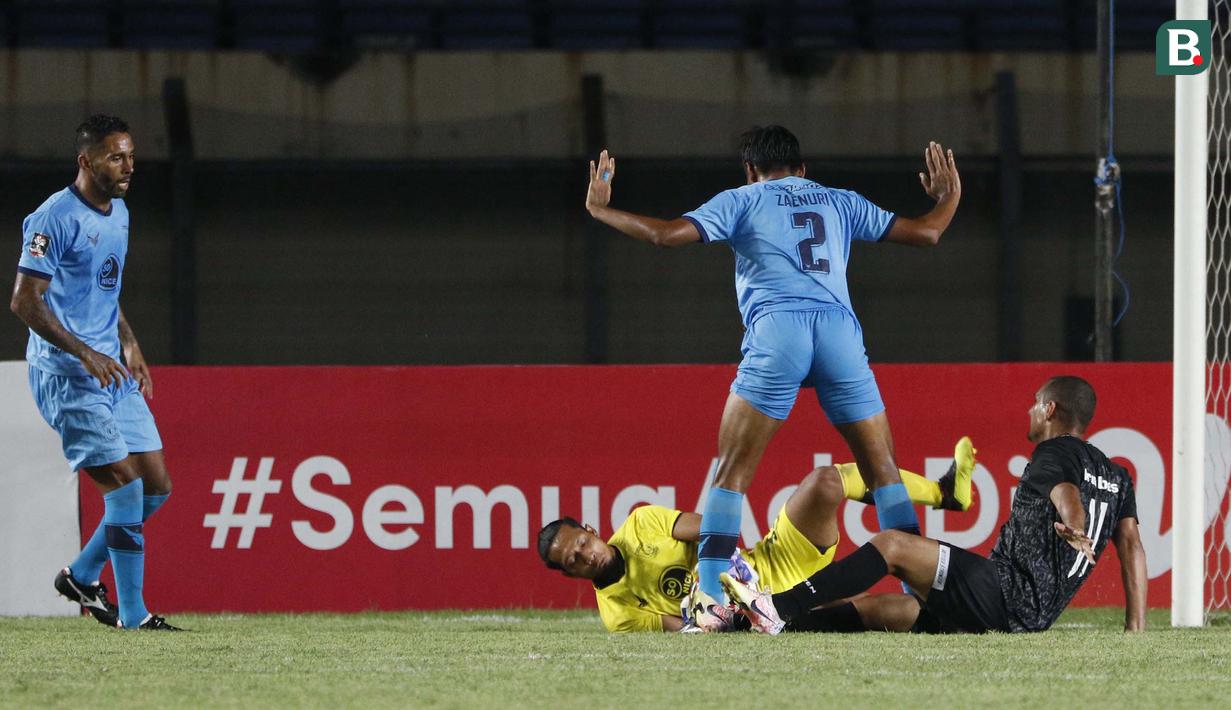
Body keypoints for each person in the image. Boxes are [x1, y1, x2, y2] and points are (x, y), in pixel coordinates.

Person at [584, 126, 962, 613]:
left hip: (778, 334)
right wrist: (949, 197)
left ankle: (715, 601)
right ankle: (927, 596)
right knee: (882, 470)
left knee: (732, 472)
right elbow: (928, 232)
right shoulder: (839, 201)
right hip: (839, 335)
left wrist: (601, 209)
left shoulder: (742, 200)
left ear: (749, 171)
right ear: (803, 169)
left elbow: (665, 235)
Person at [721, 376, 1148, 635]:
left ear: (1050, 408)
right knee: (900, 610)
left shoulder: (1054, 454)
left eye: (1036, 403)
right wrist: (1135, 626)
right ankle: (757, 624)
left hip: (1002, 592)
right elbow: (1131, 546)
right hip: (1032, 615)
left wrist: (1072, 520)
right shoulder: (1117, 476)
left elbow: (1065, 493)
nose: (1031, 410)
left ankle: (775, 606)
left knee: (893, 547)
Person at [9, 114, 181, 631]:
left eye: (131, 155)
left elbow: (103, 291)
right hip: (69, 374)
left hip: (111, 367)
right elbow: (24, 301)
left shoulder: (119, 211)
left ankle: (82, 573)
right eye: (116, 157)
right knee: (125, 491)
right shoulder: (52, 219)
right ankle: (133, 616)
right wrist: (86, 353)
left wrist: (129, 342)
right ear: (86, 161)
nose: (129, 166)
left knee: (156, 487)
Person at [536, 438, 975, 632]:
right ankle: (956, 616)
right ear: (569, 574)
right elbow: (684, 632)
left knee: (824, 481)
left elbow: (716, 526)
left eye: (580, 544)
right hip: (759, 617)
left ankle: (944, 493)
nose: (583, 556)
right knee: (906, 612)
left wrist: (729, 569)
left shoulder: (640, 523)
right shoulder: (618, 613)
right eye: (571, 561)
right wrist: (713, 617)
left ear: (589, 530)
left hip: (773, 561)